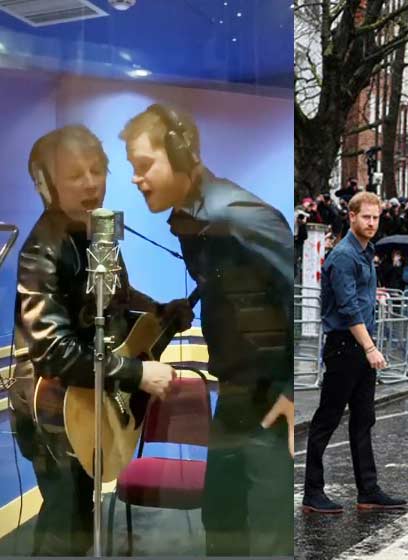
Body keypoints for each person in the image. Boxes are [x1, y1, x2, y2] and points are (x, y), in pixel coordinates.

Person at [120, 104, 293, 555]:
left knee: (265, 533)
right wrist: (185, 306)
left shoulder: (239, 216)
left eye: (144, 165)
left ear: (180, 153)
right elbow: (231, 286)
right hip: (234, 394)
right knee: (223, 521)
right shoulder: (192, 219)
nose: (137, 179)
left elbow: (289, 295)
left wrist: (290, 391)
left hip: (269, 400)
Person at [11, 125, 188, 556]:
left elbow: (117, 300)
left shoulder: (97, 234)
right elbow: (54, 350)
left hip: (86, 401)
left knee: (79, 521)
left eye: (97, 170)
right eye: (76, 174)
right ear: (45, 184)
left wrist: (162, 313)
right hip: (51, 410)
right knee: (64, 526)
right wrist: (136, 373)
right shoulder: (42, 251)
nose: (92, 183)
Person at [302, 192, 407, 514]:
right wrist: (370, 347)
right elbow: (347, 310)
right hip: (346, 347)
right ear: (351, 216)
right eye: (366, 217)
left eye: (376, 218)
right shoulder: (344, 256)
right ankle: (312, 493)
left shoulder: (367, 251)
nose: (372, 223)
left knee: (364, 419)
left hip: (361, 347)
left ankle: (369, 490)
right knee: (327, 420)